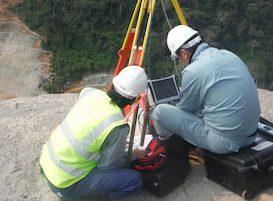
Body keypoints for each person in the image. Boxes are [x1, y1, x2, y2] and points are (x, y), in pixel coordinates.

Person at [152, 25, 261, 161]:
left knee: (159, 113)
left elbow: (187, 109)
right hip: (251, 135)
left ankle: (176, 158)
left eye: (178, 57)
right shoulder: (229, 55)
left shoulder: (193, 71)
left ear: (184, 53)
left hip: (223, 143)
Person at [39, 65, 149, 200]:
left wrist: (114, 142)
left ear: (113, 83)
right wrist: (131, 155)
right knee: (135, 180)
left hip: (46, 163)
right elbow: (108, 167)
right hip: (65, 184)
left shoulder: (89, 93)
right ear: (134, 100)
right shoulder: (118, 125)